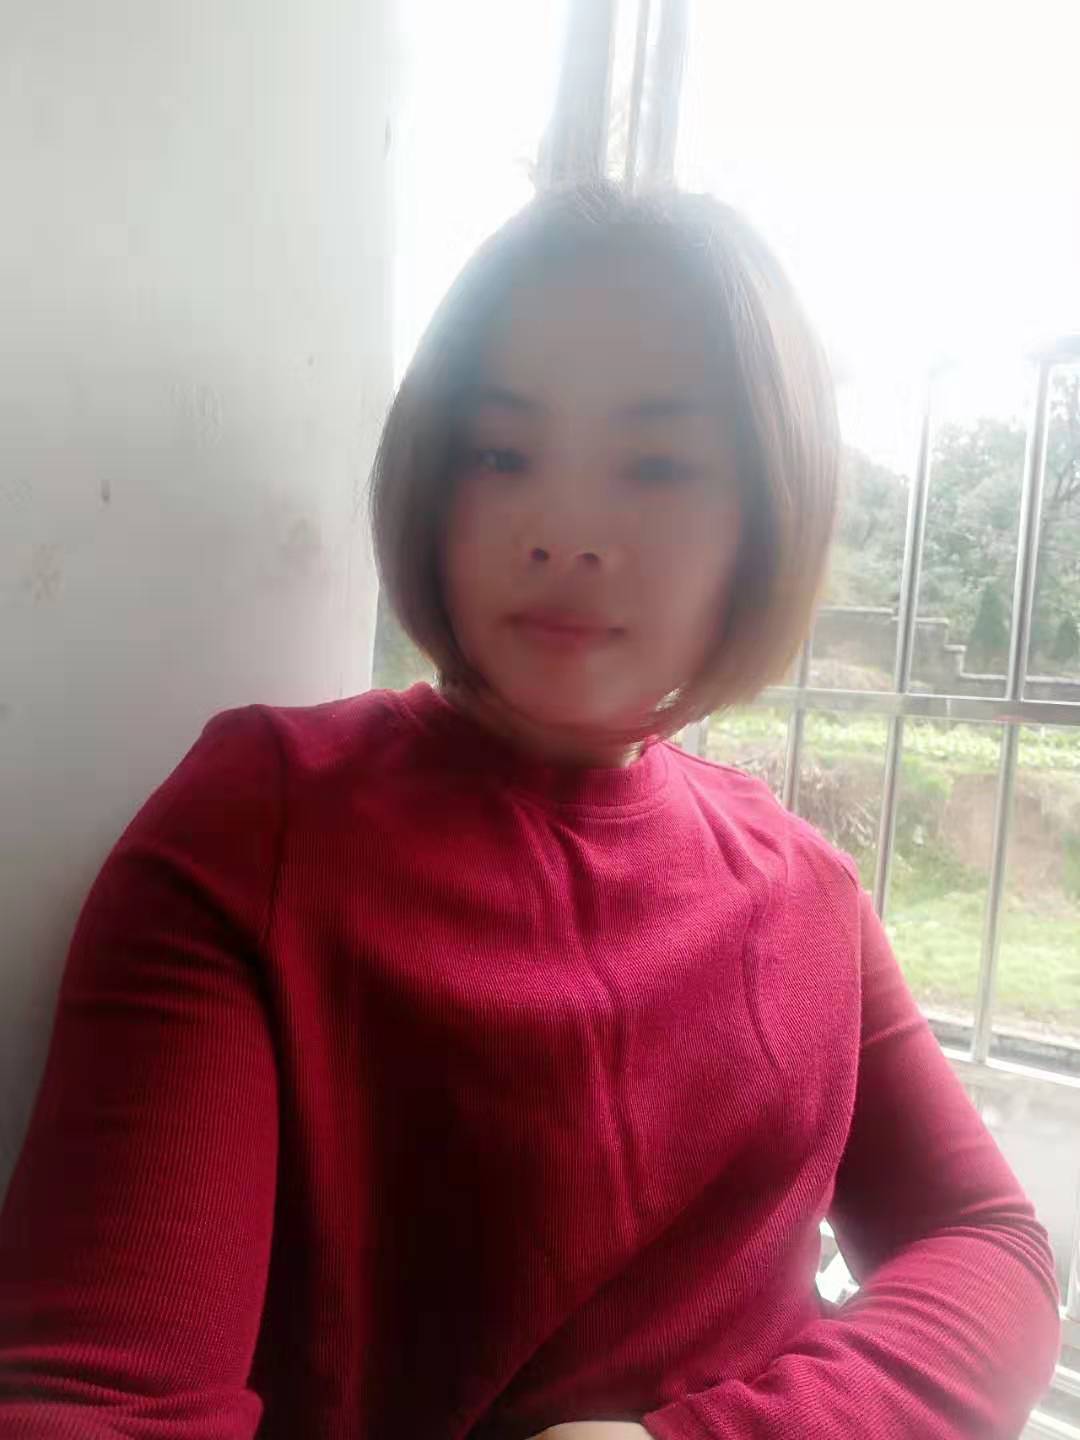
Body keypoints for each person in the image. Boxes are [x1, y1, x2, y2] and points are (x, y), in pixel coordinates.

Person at [0, 184, 1061, 1440]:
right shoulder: (263, 825)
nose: (564, 532)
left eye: (657, 465)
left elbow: (993, 1247)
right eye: (501, 453)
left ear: (768, 517)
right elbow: (104, 1395)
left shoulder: (808, 892)